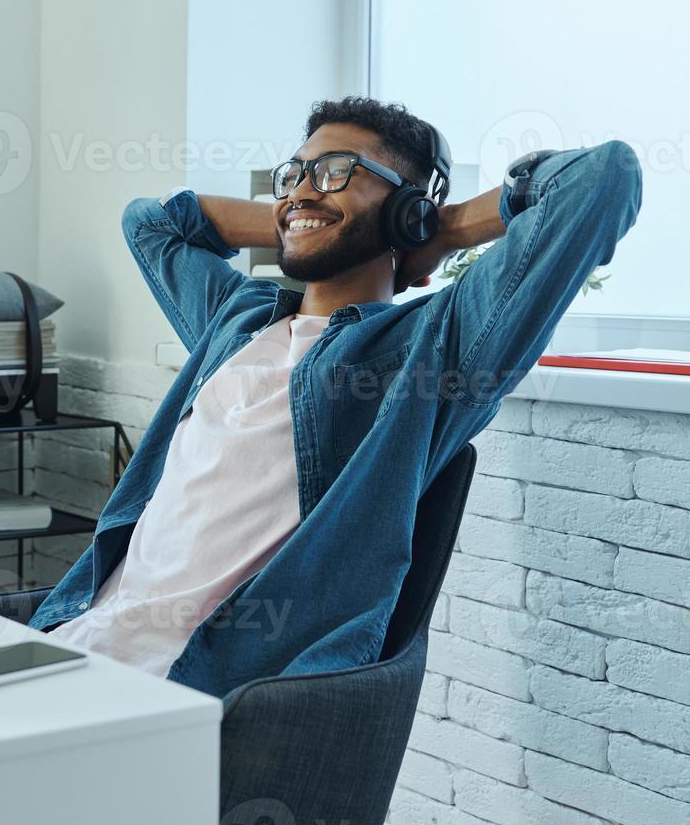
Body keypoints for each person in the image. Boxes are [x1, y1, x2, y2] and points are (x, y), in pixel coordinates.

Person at [38, 96, 642, 697]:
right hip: (73, 640)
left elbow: (601, 179)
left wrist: (441, 226)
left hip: (194, 690)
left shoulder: (430, 350)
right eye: (294, 174)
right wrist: (295, 213)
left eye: (336, 171)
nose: (302, 189)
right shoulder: (236, 321)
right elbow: (150, 224)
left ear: (408, 208)